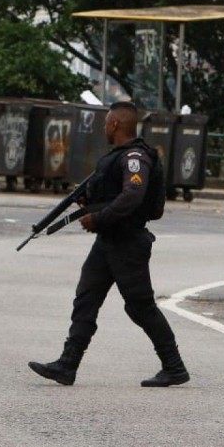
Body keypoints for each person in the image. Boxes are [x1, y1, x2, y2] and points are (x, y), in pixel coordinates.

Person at [28, 101, 189, 388]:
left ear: (115, 124)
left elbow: (132, 195)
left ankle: (174, 367)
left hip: (127, 244)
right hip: (108, 242)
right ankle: (67, 365)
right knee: (86, 299)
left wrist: (99, 218)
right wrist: (90, 202)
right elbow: (115, 194)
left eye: (106, 123)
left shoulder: (135, 157)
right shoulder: (117, 157)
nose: (104, 127)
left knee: (140, 307)